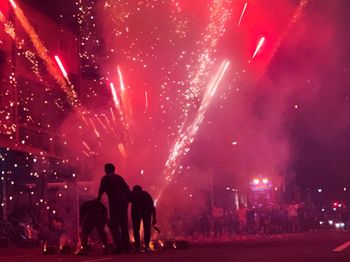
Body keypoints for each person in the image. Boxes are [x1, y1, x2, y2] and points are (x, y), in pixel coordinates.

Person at [97, 163, 130, 253]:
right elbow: (127, 189)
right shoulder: (119, 177)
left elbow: (101, 189)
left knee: (114, 225)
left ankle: (119, 247)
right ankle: (127, 247)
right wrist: (127, 200)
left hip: (114, 203)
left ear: (106, 169)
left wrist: (98, 198)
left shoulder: (106, 178)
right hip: (123, 203)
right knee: (124, 225)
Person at [129, 185, 157, 252]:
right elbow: (152, 206)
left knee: (136, 229)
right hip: (146, 213)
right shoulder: (146, 194)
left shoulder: (133, 194)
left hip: (136, 213)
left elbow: (125, 201)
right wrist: (154, 218)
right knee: (147, 229)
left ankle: (137, 247)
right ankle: (147, 246)